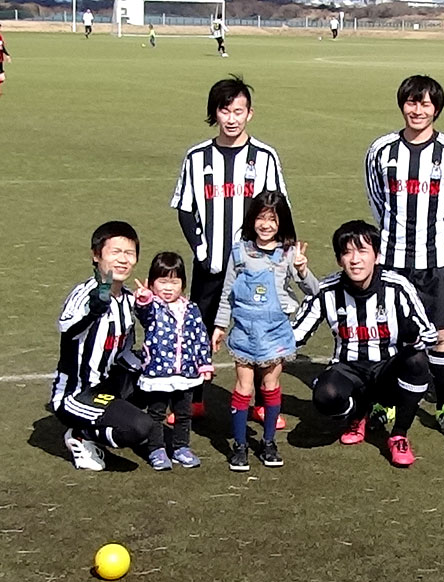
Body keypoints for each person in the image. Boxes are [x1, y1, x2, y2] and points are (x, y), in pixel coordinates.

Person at [170, 75, 288, 420]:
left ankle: (262, 403)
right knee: (200, 330)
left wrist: (278, 254)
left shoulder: (265, 157)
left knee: (259, 331)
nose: (232, 118)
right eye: (225, 111)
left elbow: (278, 208)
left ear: (250, 113)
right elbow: (185, 208)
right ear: (215, 113)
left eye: (239, 111)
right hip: (212, 264)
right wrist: (201, 249)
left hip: (257, 266)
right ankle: (193, 399)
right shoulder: (197, 157)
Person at [364, 74, 444, 437]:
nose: (418, 110)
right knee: (391, 332)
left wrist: (434, 233)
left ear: (436, 109)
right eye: (412, 102)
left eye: (425, 103)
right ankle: (387, 402)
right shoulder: (381, 151)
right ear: (402, 105)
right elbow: (378, 200)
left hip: (435, 260)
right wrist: (396, 234)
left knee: (440, 333)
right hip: (392, 260)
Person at [293, 221, 438, 468]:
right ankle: (357, 415)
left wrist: (412, 336)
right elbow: (295, 335)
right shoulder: (327, 290)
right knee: (326, 397)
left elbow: (429, 334)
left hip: (387, 370)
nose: (355, 260)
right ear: (339, 260)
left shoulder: (397, 287)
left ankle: (399, 435)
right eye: (347, 252)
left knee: (417, 360)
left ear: (377, 256)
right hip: (348, 368)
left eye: (362, 251)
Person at [211, 192, 318, 471]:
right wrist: (220, 326)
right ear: (252, 219)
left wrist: (303, 270)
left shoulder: (289, 253)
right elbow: (227, 293)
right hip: (244, 332)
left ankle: (269, 442)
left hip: (275, 332)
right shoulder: (239, 251)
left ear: (282, 222)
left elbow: (313, 290)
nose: (266, 224)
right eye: (261, 217)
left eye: (273, 219)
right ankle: (240, 446)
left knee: (270, 385)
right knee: (243, 387)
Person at [49, 221, 154, 471]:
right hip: (77, 394)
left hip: (107, 384)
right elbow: (68, 329)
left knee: (162, 378)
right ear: (96, 256)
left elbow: (125, 352)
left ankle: (109, 419)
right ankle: (80, 435)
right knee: (139, 428)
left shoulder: (128, 298)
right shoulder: (85, 293)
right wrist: (94, 308)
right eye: (115, 252)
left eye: (129, 253)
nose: (123, 260)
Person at [133, 252, 214, 471]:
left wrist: (204, 363)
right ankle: (156, 449)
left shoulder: (191, 309)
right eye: (162, 282)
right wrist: (143, 299)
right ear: (152, 283)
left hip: (186, 373)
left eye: (174, 282)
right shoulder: (153, 307)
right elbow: (143, 312)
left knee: (184, 413)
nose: (168, 288)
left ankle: (181, 447)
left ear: (183, 284)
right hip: (158, 373)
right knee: (156, 413)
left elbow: (201, 337)